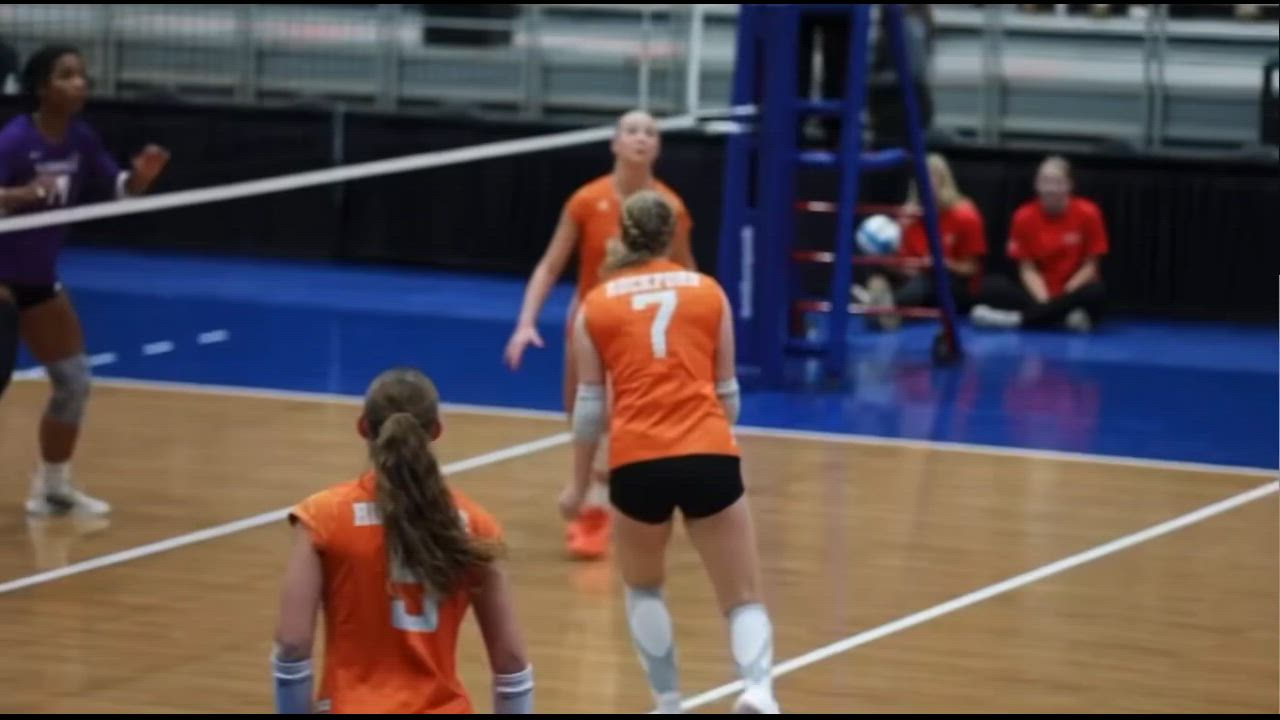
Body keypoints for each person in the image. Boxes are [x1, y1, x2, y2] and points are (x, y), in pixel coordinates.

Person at [560, 191, 779, 714]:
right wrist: (709, 440)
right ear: (673, 235)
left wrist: (579, 485)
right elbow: (729, 396)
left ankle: (668, 700)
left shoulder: (597, 304)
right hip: (707, 450)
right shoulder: (708, 292)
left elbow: (589, 409)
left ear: (623, 234)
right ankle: (758, 690)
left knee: (645, 590)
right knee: (742, 596)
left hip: (636, 461)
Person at [272, 367, 533, 714]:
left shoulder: (323, 517)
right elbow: (511, 663)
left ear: (363, 427)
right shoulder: (475, 525)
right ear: (435, 431)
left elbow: (292, 645)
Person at [503, 109, 695, 560]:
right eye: (631, 131)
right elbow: (550, 266)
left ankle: (595, 504)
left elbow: (687, 271)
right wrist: (526, 322)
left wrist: (692, 329)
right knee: (581, 414)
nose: (641, 138)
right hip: (589, 323)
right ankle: (591, 491)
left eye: (650, 132)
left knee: (616, 416)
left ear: (658, 147)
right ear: (615, 143)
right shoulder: (587, 200)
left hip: (640, 327)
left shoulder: (671, 207)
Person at [0, 44, 170, 515]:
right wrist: (22, 194)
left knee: (73, 380)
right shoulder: (14, 141)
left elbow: (119, 190)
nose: (80, 83)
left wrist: (140, 178)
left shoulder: (80, 139)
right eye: (67, 75)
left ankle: (53, 488)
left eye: (82, 75)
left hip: (38, 280)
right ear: (42, 88)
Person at [970, 155, 1108, 332]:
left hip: (1073, 291)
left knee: (1096, 292)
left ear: (1070, 185)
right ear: (1036, 185)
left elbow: (1091, 266)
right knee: (990, 286)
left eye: (1058, 182)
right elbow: (1027, 268)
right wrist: (1045, 301)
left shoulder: (1089, 213)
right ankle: (1061, 318)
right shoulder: (1022, 216)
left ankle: (1016, 320)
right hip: (1037, 291)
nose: (1051, 189)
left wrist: (1063, 297)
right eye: (1045, 182)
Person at [861, 152, 987, 330]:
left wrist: (942, 263)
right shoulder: (909, 215)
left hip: (951, 281)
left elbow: (971, 269)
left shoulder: (965, 214)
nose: (923, 184)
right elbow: (899, 261)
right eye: (919, 178)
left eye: (929, 178)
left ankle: (886, 306)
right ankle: (881, 303)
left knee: (929, 279)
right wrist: (895, 249)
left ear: (943, 181)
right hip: (912, 276)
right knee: (876, 257)